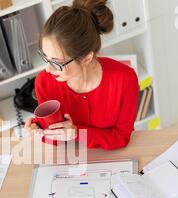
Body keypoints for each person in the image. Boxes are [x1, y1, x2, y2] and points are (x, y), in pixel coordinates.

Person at [24, 0, 139, 150]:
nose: (48, 70)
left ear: (86, 58)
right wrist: (39, 130)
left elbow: (121, 137)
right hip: (70, 161)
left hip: (112, 160)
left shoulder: (124, 79)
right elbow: (55, 141)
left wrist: (77, 133)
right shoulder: (44, 82)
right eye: (45, 58)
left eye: (56, 63)